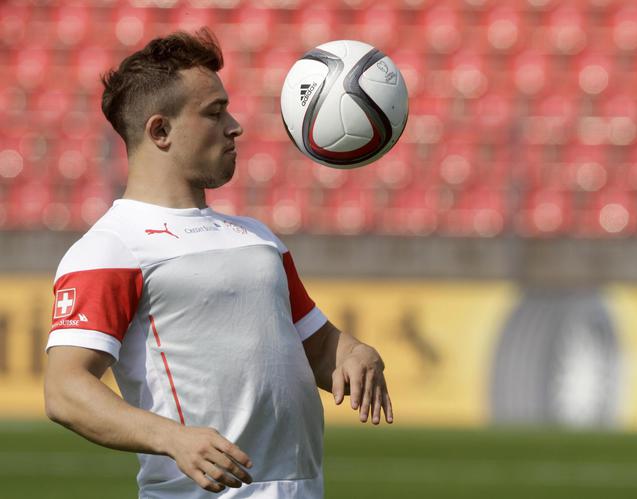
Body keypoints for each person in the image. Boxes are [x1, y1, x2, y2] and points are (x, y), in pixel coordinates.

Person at [43, 28, 392, 499]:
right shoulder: (112, 247)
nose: (235, 125)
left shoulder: (258, 238)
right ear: (160, 131)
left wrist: (353, 354)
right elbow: (65, 390)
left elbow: (320, 347)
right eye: (214, 112)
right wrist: (172, 438)